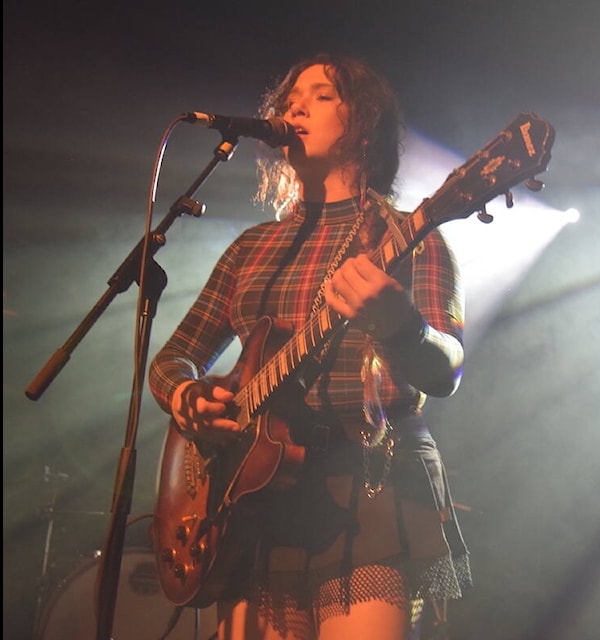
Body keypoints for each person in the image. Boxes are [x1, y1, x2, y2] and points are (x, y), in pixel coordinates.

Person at [148, 52, 471, 640]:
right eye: (290, 97)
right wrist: (189, 397)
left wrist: (402, 324)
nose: (294, 105)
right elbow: (172, 358)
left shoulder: (412, 236)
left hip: (366, 481)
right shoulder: (252, 248)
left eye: (322, 94)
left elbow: (447, 370)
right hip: (252, 496)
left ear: (365, 123)